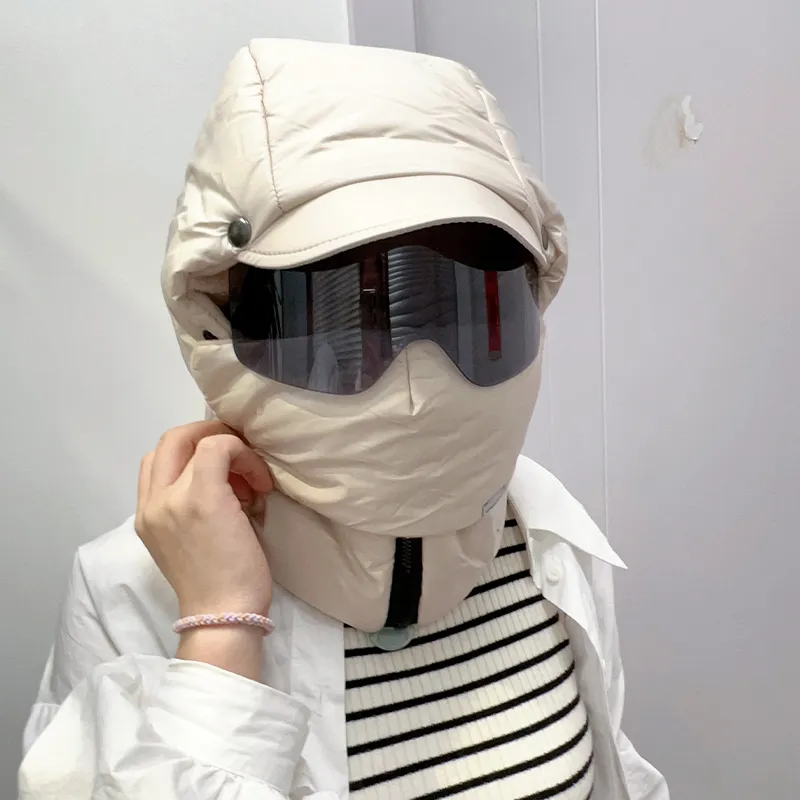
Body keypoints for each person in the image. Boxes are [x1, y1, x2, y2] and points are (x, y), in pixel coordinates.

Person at [18, 39, 669, 800]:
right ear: (215, 315)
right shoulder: (131, 590)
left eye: (459, 304)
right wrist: (220, 628)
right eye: (340, 318)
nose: (414, 382)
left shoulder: (547, 535)